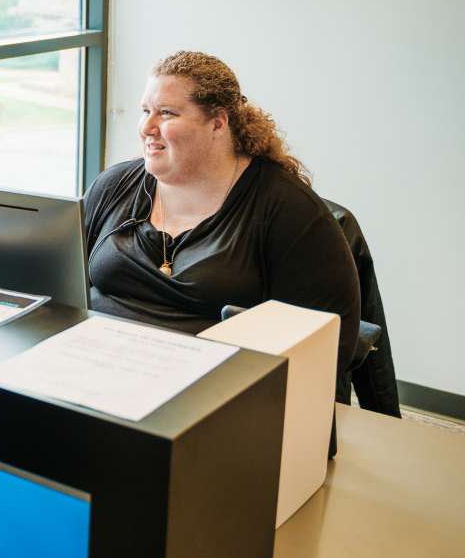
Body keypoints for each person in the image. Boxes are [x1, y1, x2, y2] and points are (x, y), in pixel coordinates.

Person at [83, 50, 361, 388]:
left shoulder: (289, 212)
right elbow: (68, 287)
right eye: (145, 111)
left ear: (218, 122)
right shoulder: (114, 187)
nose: (147, 127)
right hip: (96, 368)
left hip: (211, 391)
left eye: (166, 113)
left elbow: (323, 349)